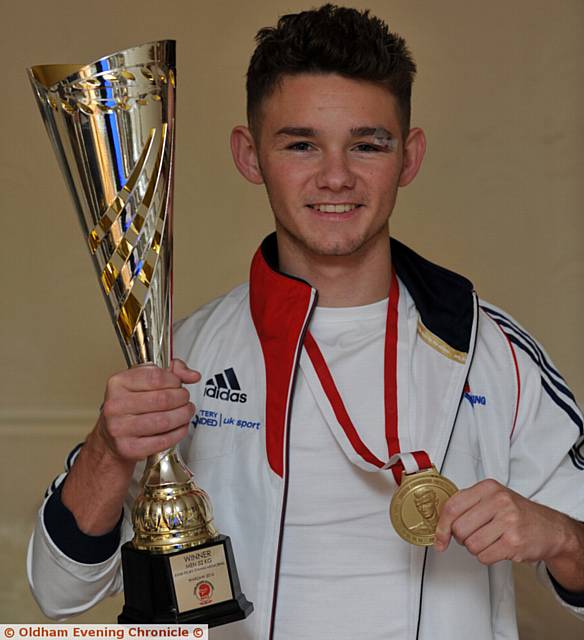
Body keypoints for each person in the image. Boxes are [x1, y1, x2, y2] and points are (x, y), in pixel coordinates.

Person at [27, 5, 584, 639]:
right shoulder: (181, 353)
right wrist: (107, 448)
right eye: (300, 144)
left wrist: (560, 535)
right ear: (249, 154)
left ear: (410, 156)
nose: (337, 176)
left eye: (368, 144)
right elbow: (60, 594)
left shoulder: (495, 351)